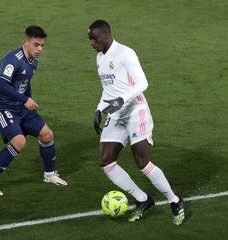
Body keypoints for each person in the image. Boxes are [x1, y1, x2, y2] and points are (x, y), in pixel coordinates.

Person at [87, 20, 184, 225]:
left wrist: (122, 100)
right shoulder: (99, 58)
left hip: (135, 111)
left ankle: (175, 201)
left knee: (142, 162)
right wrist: (99, 109)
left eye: (93, 38)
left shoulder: (125, 53)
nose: (91, 43)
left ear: (105, 35)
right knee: (106, 161)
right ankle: (143, 199)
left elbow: (142, 83)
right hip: (116, 114)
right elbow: (109, 89)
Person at [0, 25, 67, 197]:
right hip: (1, 107)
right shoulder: (12, 60)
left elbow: (24, 82)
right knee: (19, 142)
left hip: (20, 107)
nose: (40, 49)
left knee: (47, 135)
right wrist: (25, 99)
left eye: (42, 45)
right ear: (26, 43)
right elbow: (1, 84)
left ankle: (49, 175)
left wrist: (28, 102)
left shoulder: (33, 61)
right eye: (36, 45)